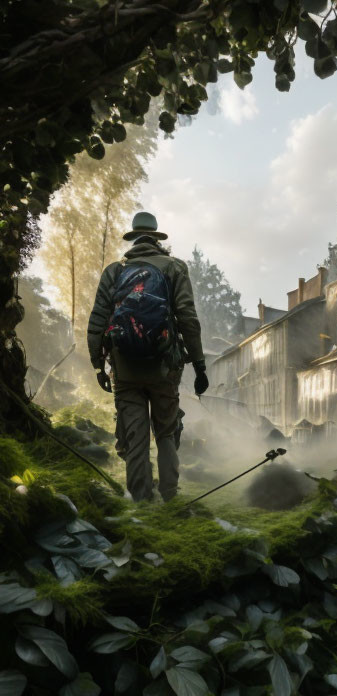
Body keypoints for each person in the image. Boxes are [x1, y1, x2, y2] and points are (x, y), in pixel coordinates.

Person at [87, 211, 209, 502]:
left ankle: (141, 501)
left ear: (132, 238)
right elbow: (188, 318)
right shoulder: (174, 267)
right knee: (166, 431)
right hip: (164, 367)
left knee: (134, 434)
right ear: (157, 240)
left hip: (125, 367)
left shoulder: (114, 271)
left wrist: (97, 366)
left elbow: (96, 321)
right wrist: (200, 364)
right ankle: (170, 494)